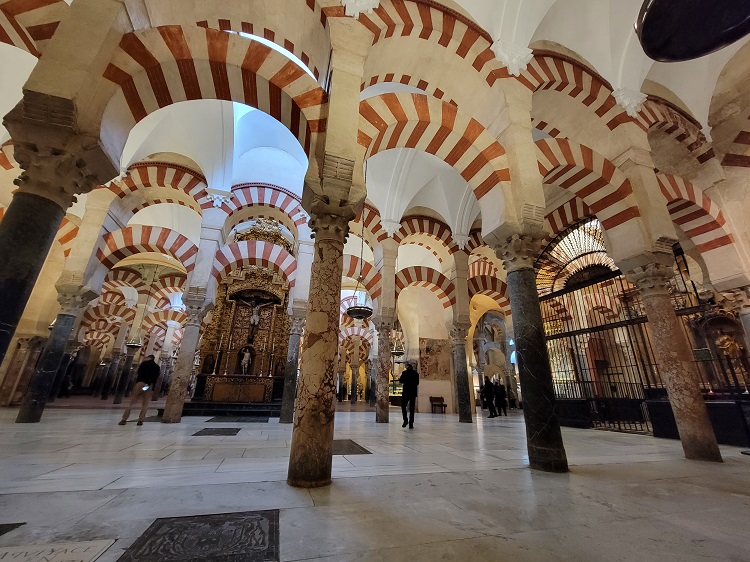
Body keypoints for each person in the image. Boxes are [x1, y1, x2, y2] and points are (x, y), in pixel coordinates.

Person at [119, 354, 160, 426]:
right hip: (148, 386)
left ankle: (124, 419)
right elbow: (156, 377)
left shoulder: (144, 364)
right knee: (145, 404)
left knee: (131, 402)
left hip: (140, 383)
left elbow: (139, 373)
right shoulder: (157, 367)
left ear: (148, 358)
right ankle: (141, 420)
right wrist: (149, 383)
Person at [399, 363, 419, 428]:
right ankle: (411, 423)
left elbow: (401, 381)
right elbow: (417, 383)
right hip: (413, 393)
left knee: (403, 406)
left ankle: (405, 420)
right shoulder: (416, 374)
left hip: (406, 392)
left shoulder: (404, 373)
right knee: (412, 408)